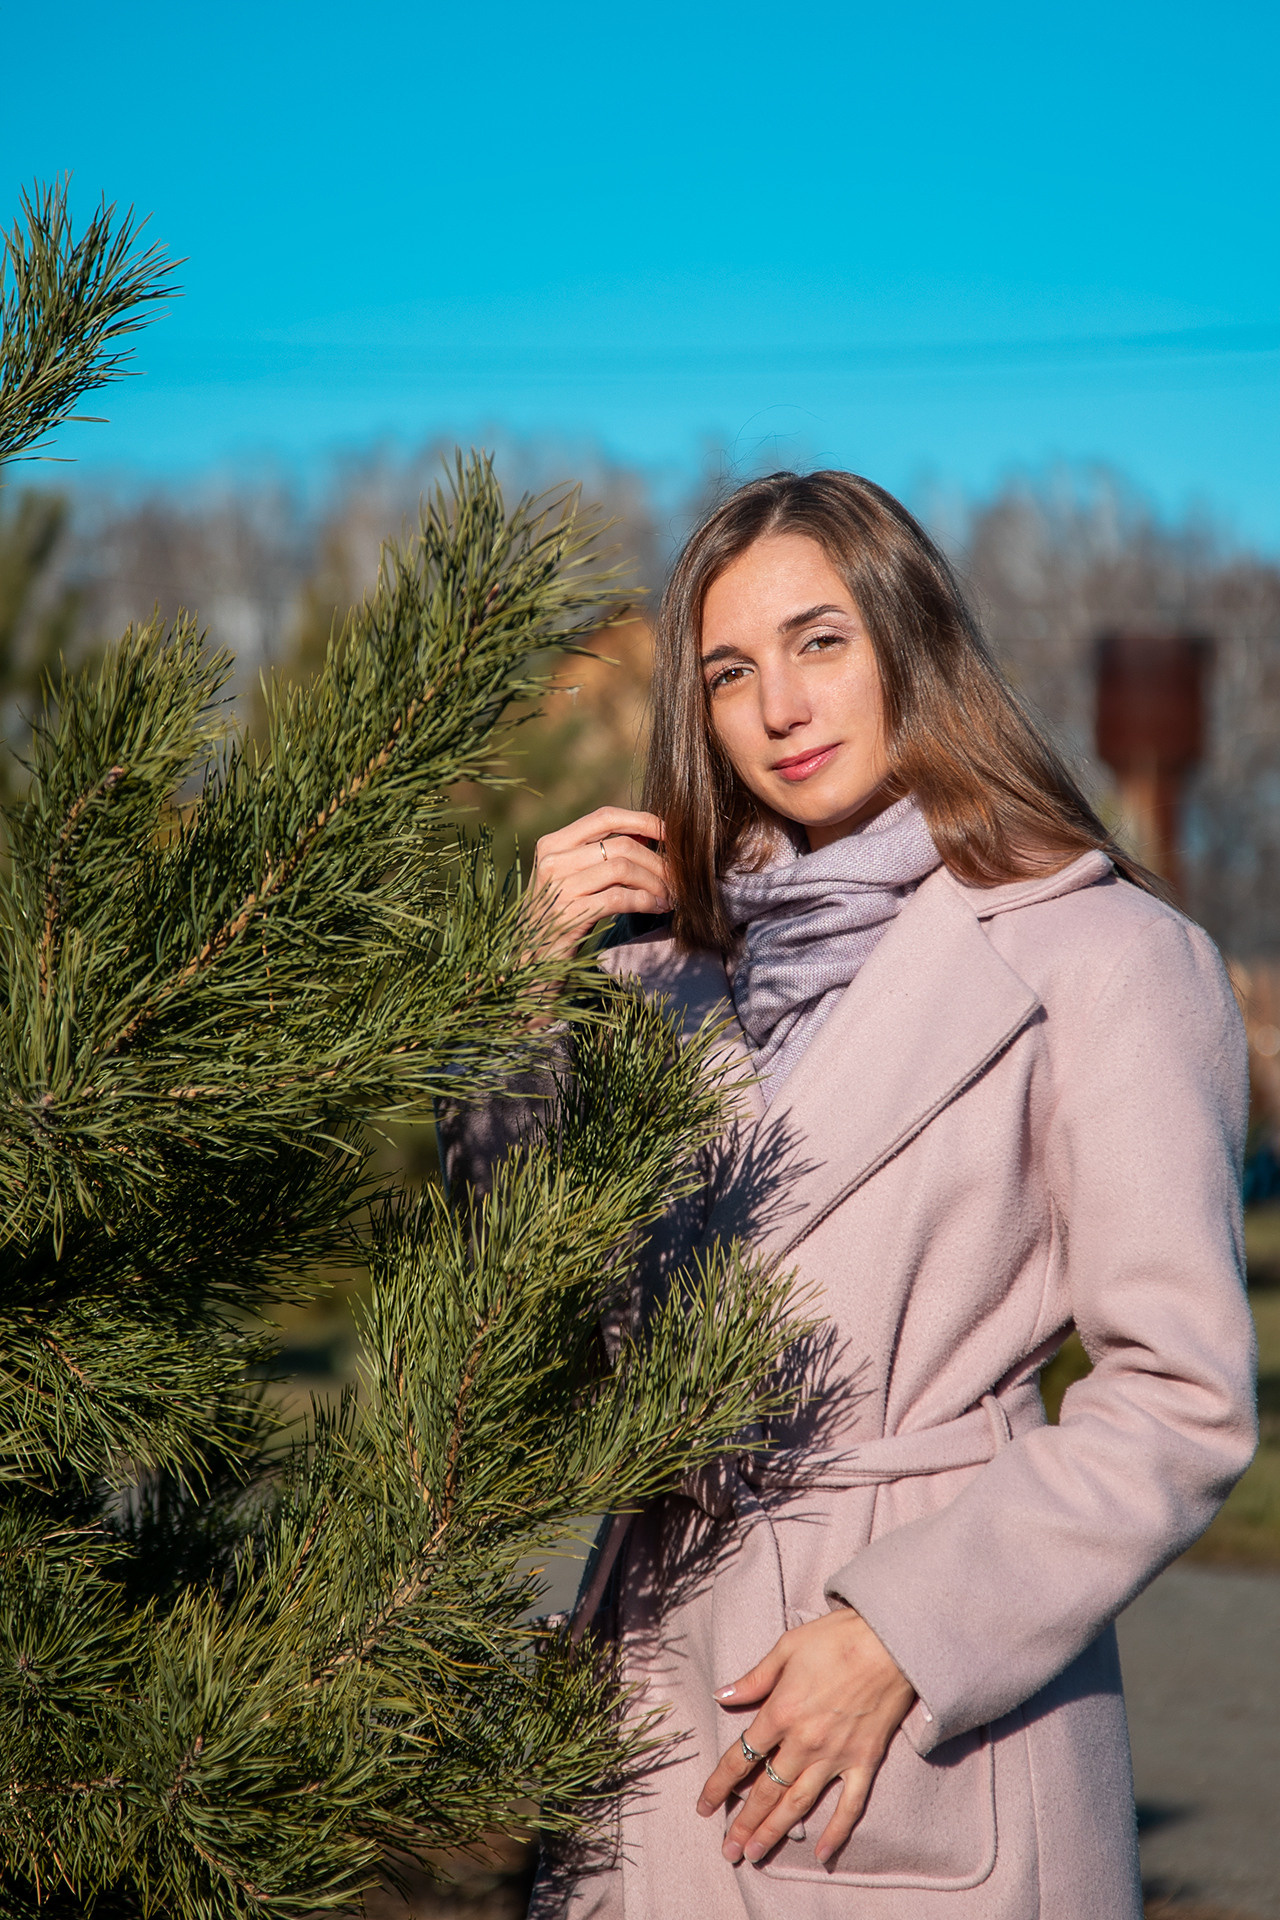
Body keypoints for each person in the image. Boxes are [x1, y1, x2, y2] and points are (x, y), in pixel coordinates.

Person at [491, 472, 1259, 1917]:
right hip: (644, 1699)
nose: (780, 702)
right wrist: (521, 1007)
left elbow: (1180, 1399)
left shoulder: (1109, 960)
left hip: (911, 1713)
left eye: (821, 640)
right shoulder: (655, 978)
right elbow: (509, 1316)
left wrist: (905, 1632)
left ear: (911, 643)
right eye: (730, 670)